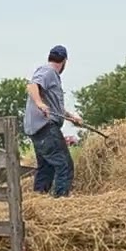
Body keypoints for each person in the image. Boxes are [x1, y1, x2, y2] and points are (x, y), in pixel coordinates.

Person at [23, 44, 84, 197]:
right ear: (64, 61)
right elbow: (32, 86)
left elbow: (54, 106)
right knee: (65, 165)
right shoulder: (48, 71)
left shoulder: (49, 73)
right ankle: (60, 201)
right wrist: (39, 104)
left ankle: (38, 199)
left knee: (46, 167)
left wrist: (71, 117)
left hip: (37, 129)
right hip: (46, 127)